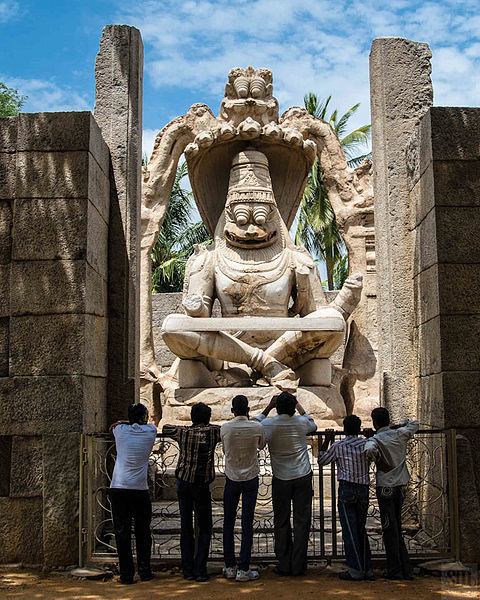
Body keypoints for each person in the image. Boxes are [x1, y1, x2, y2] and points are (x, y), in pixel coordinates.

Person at [255, 391, 317, 576]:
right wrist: (299, 406)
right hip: (302, 474)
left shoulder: (268, 424)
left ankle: (283, 562)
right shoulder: (300, 423)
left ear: (277, 407)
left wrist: (268, 407)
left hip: (281, 477)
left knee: (281, 520)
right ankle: (298, 564)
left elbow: (255, 425)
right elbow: (313, 424)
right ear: (293, 406)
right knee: (302, 520)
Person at [163, 402, 220, 582]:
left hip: (184, 482)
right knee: (205, 527)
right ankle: (200, 568)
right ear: (209, 418)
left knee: (186, 526)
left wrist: (187, 426)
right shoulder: (214, 432)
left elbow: (165, 428)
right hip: (202, 484)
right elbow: (225, 430)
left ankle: (187, 569)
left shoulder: (183, 432)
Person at [365, 407, 419, 580]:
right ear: (388, 420)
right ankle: (406, 569)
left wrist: (378, 458)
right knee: (396, 525)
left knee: (389, 527)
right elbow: (414, 424)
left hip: (386, 487)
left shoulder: (376, 439)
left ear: (374, 423)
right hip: (401, 485)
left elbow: (370, 451)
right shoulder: (399, 434)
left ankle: (395, 569)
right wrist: (398, 425)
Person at [318, 415, 373, 581]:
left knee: (349, 531)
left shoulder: (338, 445)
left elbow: (322, 460)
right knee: (361, 529)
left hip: (347, 489)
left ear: (344, 428)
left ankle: (355, 569)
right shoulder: (366, 444)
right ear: (359, 429)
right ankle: (367, 568)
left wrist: (326, 439)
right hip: (363, 489)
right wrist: (371, 437)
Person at [109, 403, 157, 585]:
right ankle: (145, 570)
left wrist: (126, 421)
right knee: (143, 531)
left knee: (122, 532)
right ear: (145, 417)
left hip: (119, 486)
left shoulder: (120, 430)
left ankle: (126, 574)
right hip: (139, 488)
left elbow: (112, 426)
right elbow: (151, 425)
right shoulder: (151, 431)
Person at [221, 395, 266, 582]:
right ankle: (244, 567)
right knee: (247, 523)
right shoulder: (257, 427)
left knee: (228, 523)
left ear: (232, 411)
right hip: (250, 477)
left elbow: (224, 450)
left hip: (232, 477)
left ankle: (229, 566)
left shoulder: (225, 428)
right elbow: (261, 445)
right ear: (248, 410)